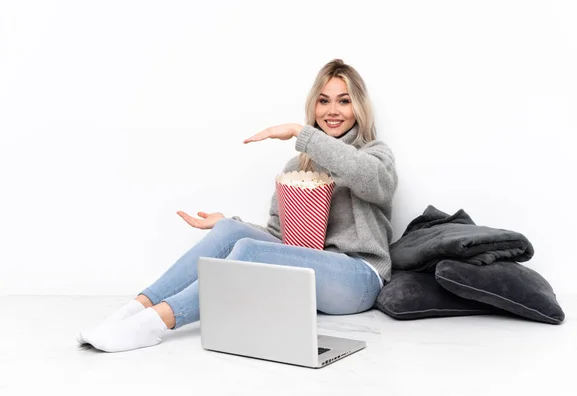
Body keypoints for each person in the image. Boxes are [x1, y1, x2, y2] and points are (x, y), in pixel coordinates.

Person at [77, 59, 398, 353]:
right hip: (311, 274)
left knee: (249, 251)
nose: (333, 110)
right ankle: (133, 310)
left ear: (358, 107)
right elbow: (280, 238)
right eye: (324, 100)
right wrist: (229, 223)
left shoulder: (374, 154)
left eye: (344, 101)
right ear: (313, 105)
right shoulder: (296, 165)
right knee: (234, 232)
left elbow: (372, 181)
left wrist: (303, 134)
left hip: (359, 277)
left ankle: (155, 324)